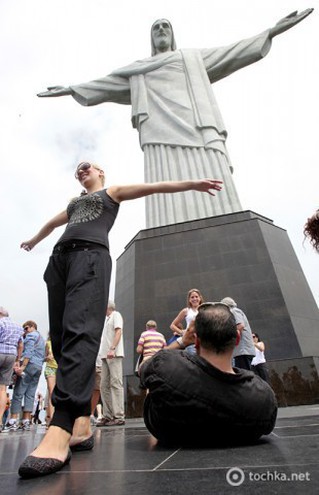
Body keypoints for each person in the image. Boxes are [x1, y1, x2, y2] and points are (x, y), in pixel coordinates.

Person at [18, 161, 222, 477]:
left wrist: (194, 184)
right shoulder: (74, 204)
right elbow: (52, 223)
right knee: (60, 339)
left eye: (87, 167)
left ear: (101, 172)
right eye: (77, 170)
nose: (81, 171)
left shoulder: (112, 193)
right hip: (60, 261)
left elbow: (155, 187)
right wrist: (33, 240)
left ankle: (61, 425)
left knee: (79, 331)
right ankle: (82, 423)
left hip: (90, 256)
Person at [37, 10, 313, 228]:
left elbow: (233, 52)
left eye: (165, 26)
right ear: (150, 37)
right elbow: (105, 84)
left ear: (172, 34)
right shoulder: (138, 71)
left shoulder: (192, 58)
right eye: (155, 28)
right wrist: (71, 88)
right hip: (159, 134)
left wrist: (273, 31)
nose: (160, 31)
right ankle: (168, 226)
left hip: (199, 126)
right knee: (164, 184)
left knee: (215, 179)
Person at [140, 302, 277, 446]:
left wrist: (182, 341)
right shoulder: (265, 398)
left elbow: (144, 367)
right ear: (237, 338)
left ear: (196, 341)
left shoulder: (164, 366)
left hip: (167, 433)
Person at [4, 321, 45, 432]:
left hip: (29, 365)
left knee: (18, 392)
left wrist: (23, 366)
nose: (24, 331)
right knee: (30, 394)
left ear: (32, 327)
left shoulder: (31, 336)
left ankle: (13, 420)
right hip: (38, 367)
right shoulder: (42, 339)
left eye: (26, 328)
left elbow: (28, 352)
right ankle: (26, 420)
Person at [96, 301, 125, 427]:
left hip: (114, 353)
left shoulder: (116, 315)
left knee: (116, 383)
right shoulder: (106, 319)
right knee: (104, 386)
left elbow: (118, 332)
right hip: (104, 356)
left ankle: (118, 416)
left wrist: (112, 348)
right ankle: (107, 416)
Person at [0, 307, 24, 432]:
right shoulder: (18, 326)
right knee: (3, 388)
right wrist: (17, 360)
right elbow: (20, 344)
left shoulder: (0, 323)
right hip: (11, 355)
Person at [221, 297, 255, 370]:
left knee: (244, 374)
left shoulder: (234, 311)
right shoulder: (234, 312)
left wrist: (228, 335)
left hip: (243, 351)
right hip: (241, 351)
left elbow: (240, 326)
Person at [170, 288, 204, 354]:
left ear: (200, 298)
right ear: (189, 300)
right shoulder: (186, 311)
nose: (194, 299)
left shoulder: (205, 310)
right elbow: (172, 325)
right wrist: (182, 332)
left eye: (196, 297)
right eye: (192, 297)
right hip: (191, 342)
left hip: (203, 341)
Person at [44, 334, 58, 426]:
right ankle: (52, 418)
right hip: (50, 368)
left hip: (61, 368)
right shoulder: (48, 343)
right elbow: (44, 357)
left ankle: (56, 416)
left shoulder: (64, 343)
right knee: (51, 392)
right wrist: (47, 357)